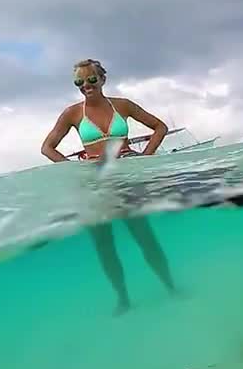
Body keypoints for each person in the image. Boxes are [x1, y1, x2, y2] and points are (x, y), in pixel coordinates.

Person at [41, 58, 177, 314]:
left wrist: (145, 157)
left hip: (125, 181)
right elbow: (47, 148)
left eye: (91, 80)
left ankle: (171, 288)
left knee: (145, 237)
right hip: (94, 186)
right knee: (105, 246)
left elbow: (160, 127)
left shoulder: (122, 105)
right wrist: (76, 169)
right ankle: (123, 299)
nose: (86, 86)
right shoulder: (72, 113)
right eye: (79, 82)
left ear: (103, 79)